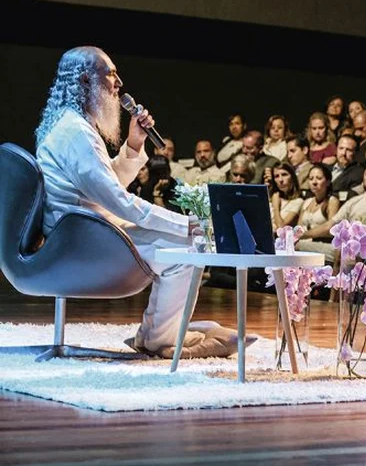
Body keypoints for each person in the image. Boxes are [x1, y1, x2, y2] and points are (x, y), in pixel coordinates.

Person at [35, 46, 234, 358]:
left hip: (87, 233)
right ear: (86, 80)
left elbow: (103, 186)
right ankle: (160, 339)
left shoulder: (73, 125)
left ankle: (156, 334)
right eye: (111, 73)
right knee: (187, 248)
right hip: (82, 242)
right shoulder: (75, 132)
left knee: (184, 242)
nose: (119, 82)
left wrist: (133, 145)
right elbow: (117, 200)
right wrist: (186, 223)